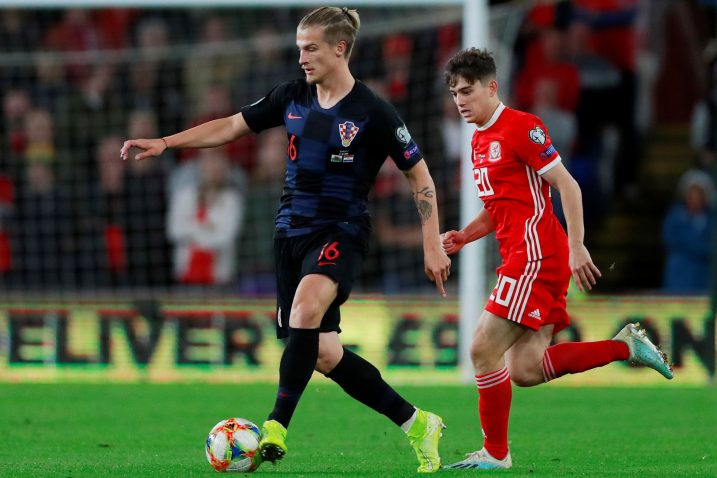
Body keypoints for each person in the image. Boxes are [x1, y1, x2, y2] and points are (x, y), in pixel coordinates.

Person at [121, 7, 451, 473]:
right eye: (299, 48)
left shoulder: (373, 111)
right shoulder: (291, 97)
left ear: (340, 49)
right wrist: (166, 143)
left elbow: (419, 174)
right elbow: (231, 125)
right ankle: (417, 423)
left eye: (311, 48)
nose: (302, 58)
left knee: (305, 310)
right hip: (289, 234)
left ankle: (276, 425)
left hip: (342, 232)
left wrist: (431, 241)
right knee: (322, 352)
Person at [439, 48, 672, 470]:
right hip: (521, 253)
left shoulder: (522, 128)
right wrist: (463, 237)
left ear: (492, 87)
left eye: (468, 91)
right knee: (526, 369)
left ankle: (496, 453)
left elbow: (568, 186)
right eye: (455, 92)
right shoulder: (478, 140)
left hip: (535, 255)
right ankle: (625, 346)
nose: (460, 100)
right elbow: (500, 206)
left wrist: (578, 245)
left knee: (481, 349)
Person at [661, 169, 715, 294]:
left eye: (699, 195)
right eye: (692, 195)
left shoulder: (711, 219)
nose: (695, 199)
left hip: (704, 278)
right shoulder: (675, 216)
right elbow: (669, 239)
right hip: (679, 276)